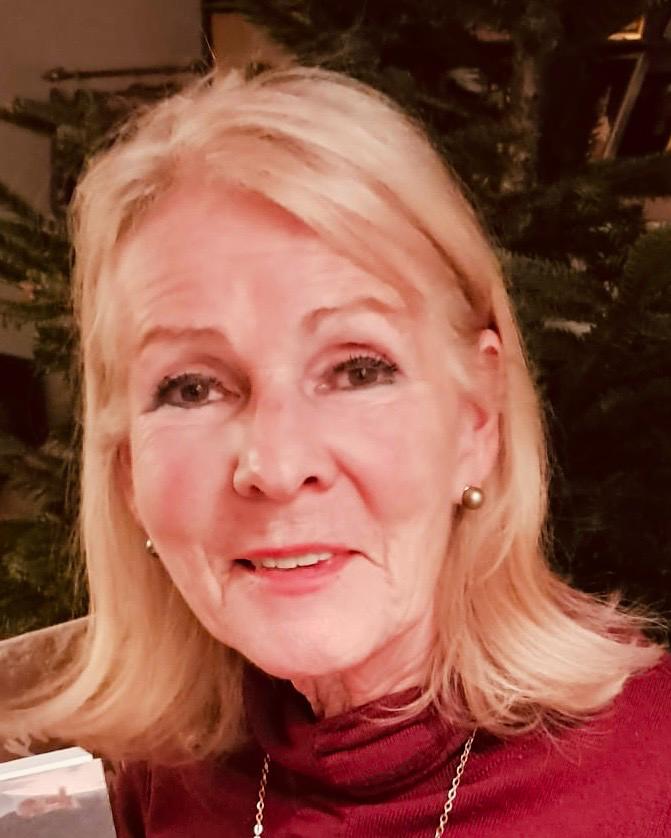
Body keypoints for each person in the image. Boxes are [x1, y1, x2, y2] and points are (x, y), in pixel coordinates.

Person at [3, 65, 670, 837]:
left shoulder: (650, 784)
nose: (277, 466)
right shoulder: (170, 773)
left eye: (357, 369)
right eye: (191, 388)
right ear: (127, 470)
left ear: (474, 418)